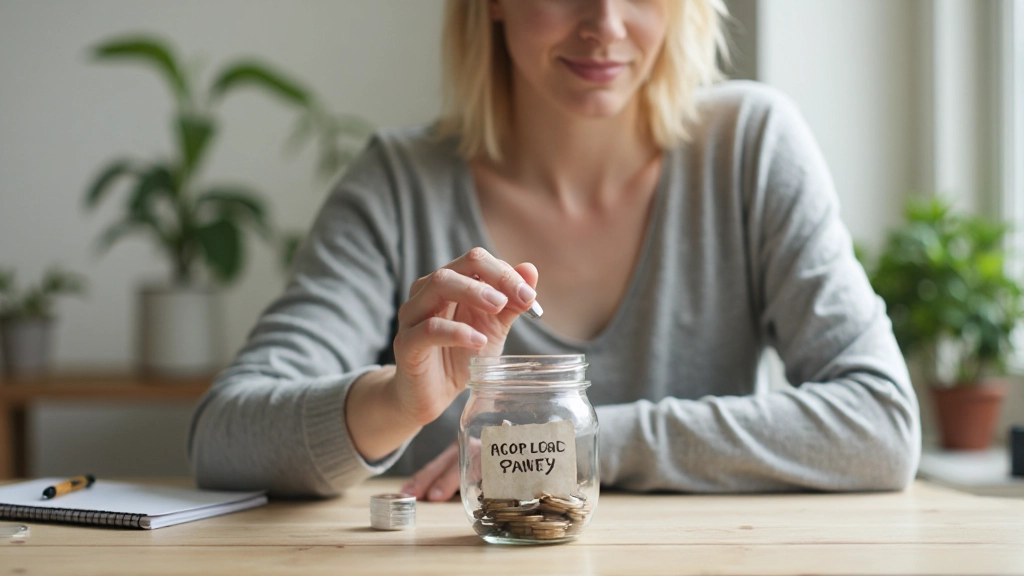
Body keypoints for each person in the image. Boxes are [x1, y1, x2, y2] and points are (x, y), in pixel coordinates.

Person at [188, 0, 921, 499]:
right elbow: (224, 435)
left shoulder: (751, 148)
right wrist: (396, 401)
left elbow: (881, 423)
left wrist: (583, 440)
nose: (605, 24)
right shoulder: (397, 183)